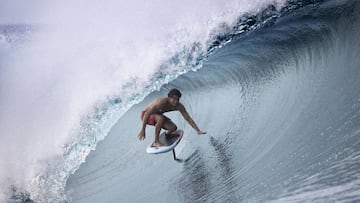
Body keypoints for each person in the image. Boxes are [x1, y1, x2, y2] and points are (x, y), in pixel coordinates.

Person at [138, 88, 206, 147]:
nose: (176, 101)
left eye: (177, 99)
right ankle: (156, 142)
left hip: (157, 116)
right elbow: (147, 114)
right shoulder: (161, 102)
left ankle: (168, 134)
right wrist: (143, 129)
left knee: (173, 128)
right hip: (145, 116)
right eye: (174, 99)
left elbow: (188, 118)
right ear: (169, 97)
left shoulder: (179, 106)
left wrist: (198, 130)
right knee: (161, 118)